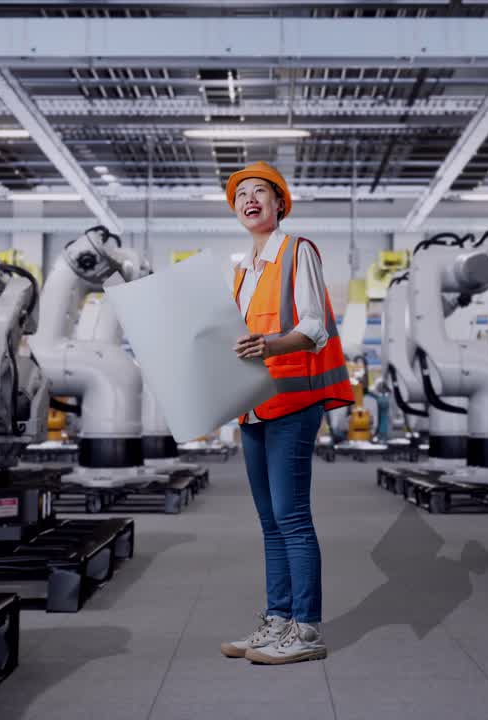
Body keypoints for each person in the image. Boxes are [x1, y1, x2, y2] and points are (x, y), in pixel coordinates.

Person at [219, 161, 354, 665]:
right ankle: (278, 620)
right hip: (253, 406)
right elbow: (236, 345)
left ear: (280, 204)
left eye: (261, 192)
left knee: (292, 517)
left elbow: (315, 326)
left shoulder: (298, 251)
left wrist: (270, 344)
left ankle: (307, 629)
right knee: (269, 521)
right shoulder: (242, 271)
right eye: (241, 195)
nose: (250, 199)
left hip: (294, 403)